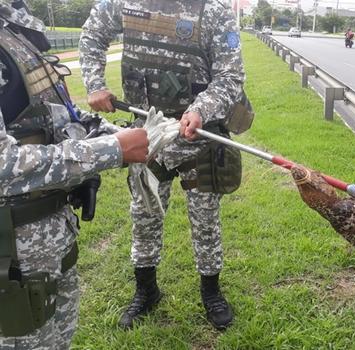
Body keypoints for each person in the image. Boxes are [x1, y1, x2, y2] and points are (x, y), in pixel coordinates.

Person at [78, 0, 246, 331]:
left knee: (205, 220)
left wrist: (201, 108)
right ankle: (146, 290)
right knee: (144, 216)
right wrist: (94, 82)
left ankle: (210, 291)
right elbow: (93, 32)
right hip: (146, 135)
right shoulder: (123, 3)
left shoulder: (213, 11)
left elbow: (231, 74)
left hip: (198, 135)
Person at [0, 1, 149, 348]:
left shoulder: (15, 31)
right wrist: (112, 150)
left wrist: (114, 134)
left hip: (49, 247)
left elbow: (56, 116)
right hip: (11, 262)